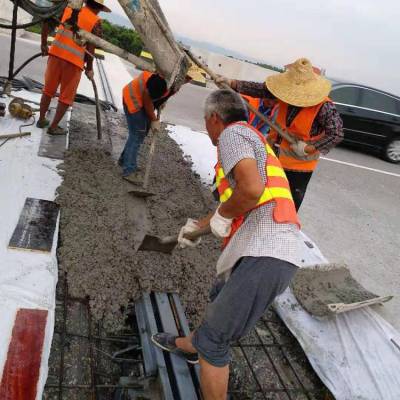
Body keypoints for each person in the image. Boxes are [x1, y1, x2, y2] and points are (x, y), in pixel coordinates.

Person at [151, 89, 306, 400]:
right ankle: (188, 347)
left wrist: (220, 215)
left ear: (213, 118)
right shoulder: (251, 137)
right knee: (218, 296)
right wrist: (197, 228)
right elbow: (239, 202)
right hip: (265, 250)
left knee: (216, 340)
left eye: (206, 122)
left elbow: (250, 190)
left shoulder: (232, 134)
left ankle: (203, 349)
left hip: (267, 252)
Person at [218, 58, 344, 210]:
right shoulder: (284, 91)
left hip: (298, 168)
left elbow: (336, 133)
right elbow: (261, 90)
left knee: (284, 207)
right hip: (271, 158)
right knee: (258, 199)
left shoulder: (324, 107)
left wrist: (309, 148)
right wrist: (232, 83)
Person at [37, 0, 110, 135]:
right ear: (99, 8)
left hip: (55, 55)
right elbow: (91, 48)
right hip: (74, 63)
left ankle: (41, 120)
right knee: (65, 97)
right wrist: (89, 68)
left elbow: (47, 22)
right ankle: (53, 127)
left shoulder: (68, 9)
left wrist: (43, 44)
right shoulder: (96, 21)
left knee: (48, 90)